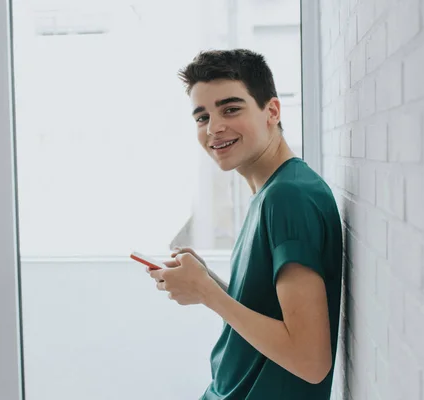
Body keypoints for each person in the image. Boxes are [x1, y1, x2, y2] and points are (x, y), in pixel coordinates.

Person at [147, 49, 343, 400]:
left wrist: (206, 294)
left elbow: (310, 361)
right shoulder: (271, 192)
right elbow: (271, 312)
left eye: (231, 109)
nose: (214, 127)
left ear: (272, 111)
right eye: (202, 117)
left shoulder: (288, 198)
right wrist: (208, 283)